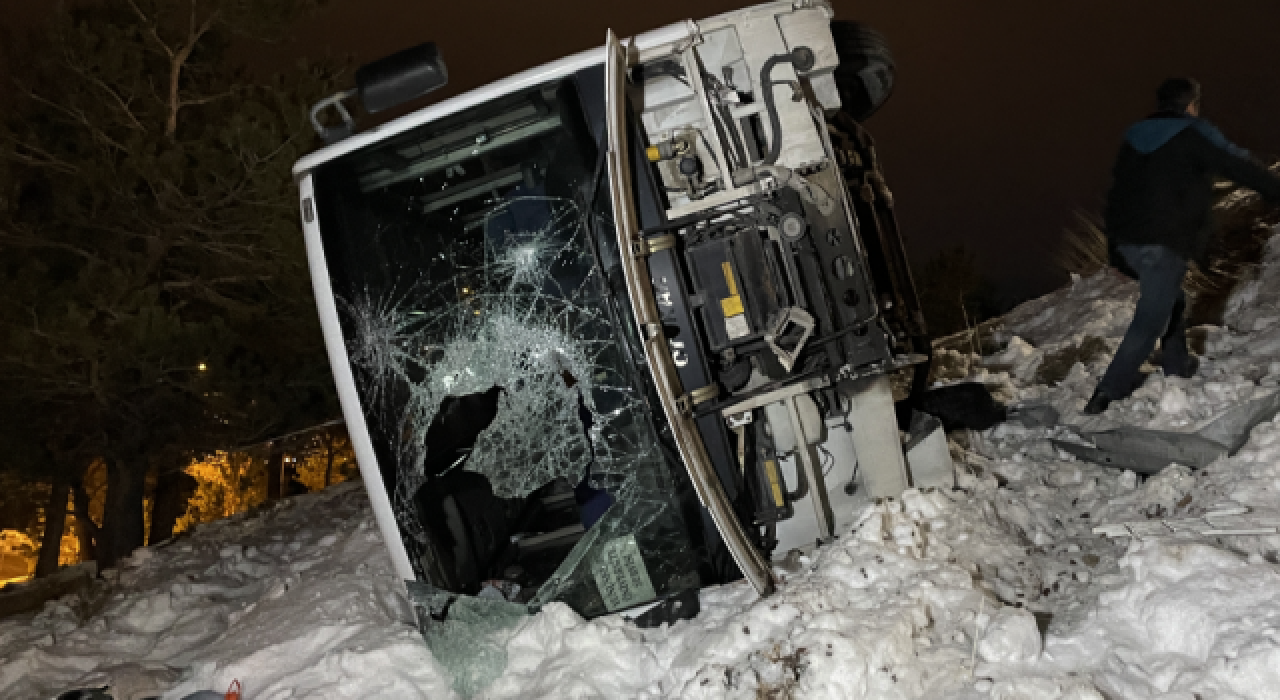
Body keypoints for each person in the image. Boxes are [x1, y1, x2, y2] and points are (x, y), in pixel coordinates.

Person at [1084, 78, 1280, 415]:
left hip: (1129, 240)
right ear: (1191, 104)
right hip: (1166, 239)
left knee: (1170, 296)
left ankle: (1176, 364)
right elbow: (1237, 164)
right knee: (1151, 316)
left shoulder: (1133, 137)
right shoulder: (1194, 132)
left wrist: (1115, 251)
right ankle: (1108, 391)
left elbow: (1116, 194)